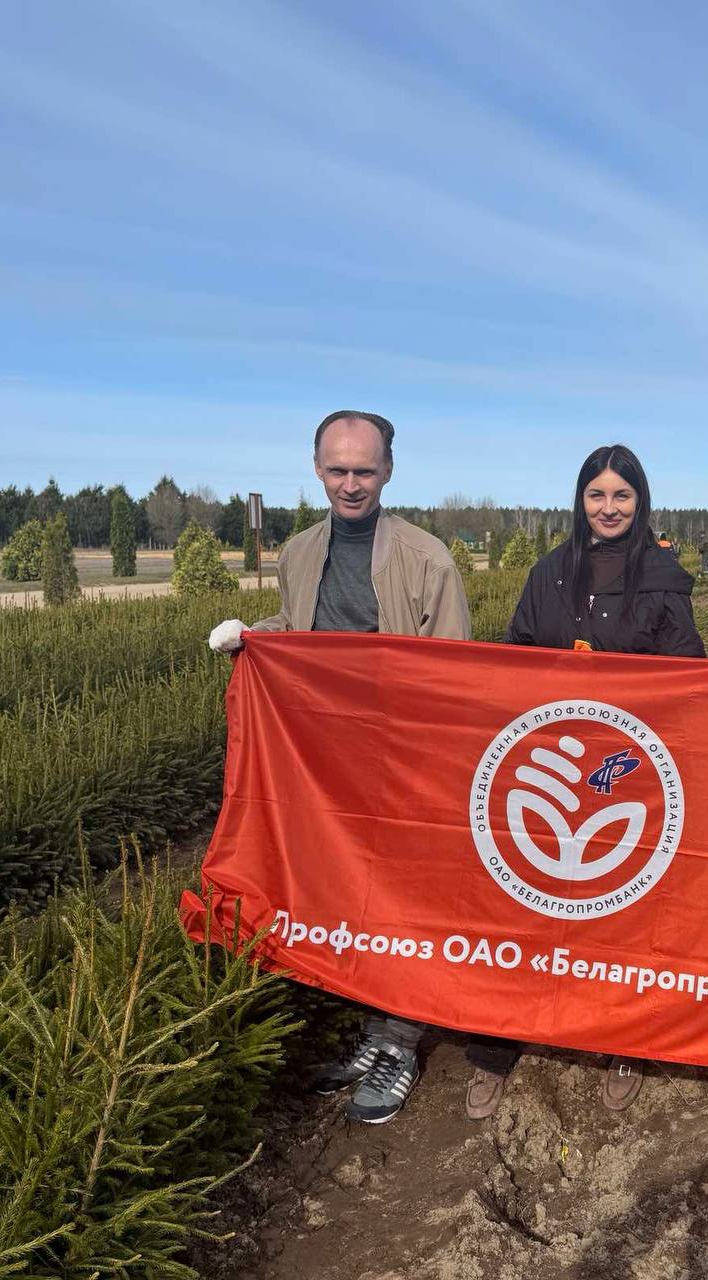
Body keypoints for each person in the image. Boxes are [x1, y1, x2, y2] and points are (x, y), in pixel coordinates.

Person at [208, 410, 472, 1125]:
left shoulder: (427, 559)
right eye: (337, 469)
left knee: (405, 897)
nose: (350, 483)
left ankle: (400, 1040)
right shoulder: (300, 552)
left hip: (405, 764)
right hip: (329, 764)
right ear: (317, 468)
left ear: (388, 471)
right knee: (351, 894)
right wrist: (256, 640)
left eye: (364, 470)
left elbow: (457, 675)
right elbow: (300, 640)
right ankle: (370, 1027)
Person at [462, 443, 706, 1121]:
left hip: (628, 772)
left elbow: (690, 675)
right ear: (580, 501)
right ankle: (493, 1048)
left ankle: (622, 1041)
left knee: (624, 910)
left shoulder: (662, 576)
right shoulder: (550, 573)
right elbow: (515, 654)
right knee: (524, 902)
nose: (608, 508)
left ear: (640, 502)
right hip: (552, 762)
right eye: (596, 496)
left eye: (621, 496)